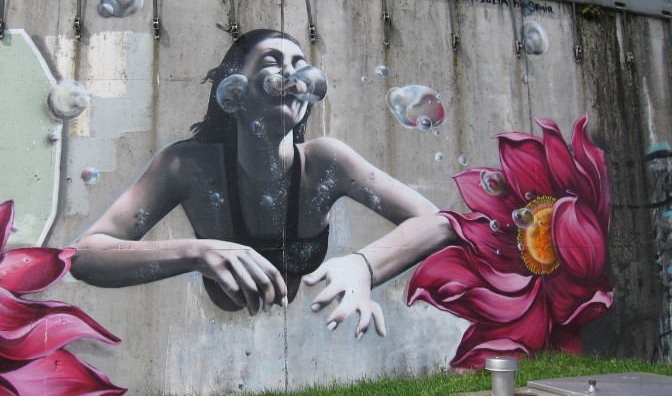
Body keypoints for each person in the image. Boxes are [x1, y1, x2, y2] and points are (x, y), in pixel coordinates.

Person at [71, 29, 453, 338]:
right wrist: (198, 252)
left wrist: (364, 266)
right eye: (273, 62)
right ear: (234, 90)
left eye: (301, 66)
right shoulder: (187, 166)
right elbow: (86, 255)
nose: (294, 76)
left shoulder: (325, 162)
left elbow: (437, 223)